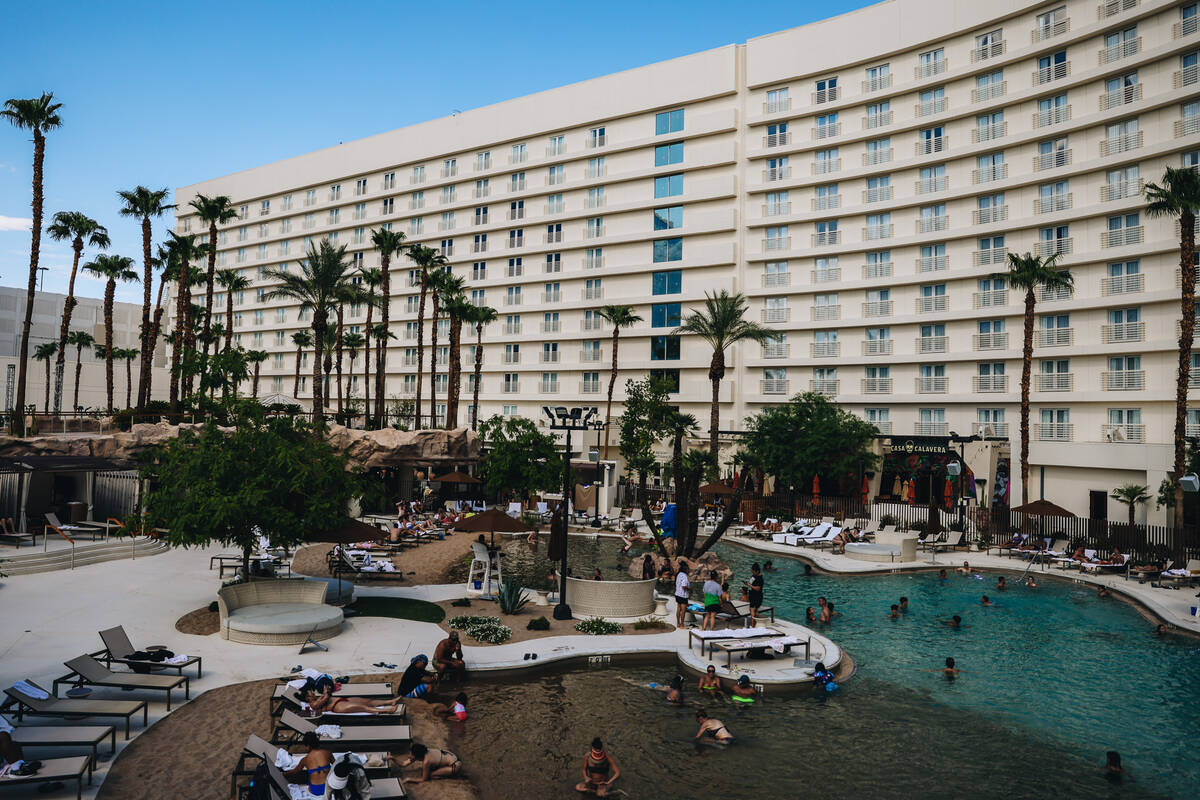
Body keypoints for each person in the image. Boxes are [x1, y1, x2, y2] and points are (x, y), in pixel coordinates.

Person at [284, 732, 333, 797]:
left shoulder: (305, 760)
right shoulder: (327, 753)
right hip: (328, 788)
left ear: (308, 746)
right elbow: (336, 765)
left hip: (315, 790)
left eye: (305, 746)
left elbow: (295, 771)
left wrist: (284, 774)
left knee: (308, 778)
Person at [304, 687, 402, 715]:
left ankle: (390, 701)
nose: (312, 693)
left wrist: (327, 691)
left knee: (367, 701)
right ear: (307, 699)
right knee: (364, 708)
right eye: (310, 693)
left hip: (341, 700)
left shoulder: (316, 698)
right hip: (338, 707)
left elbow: (327, 696)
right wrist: (326, 692)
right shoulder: (313, 704)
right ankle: (388, 710)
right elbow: (326, 698)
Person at [397, 742, 462, 783]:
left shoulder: (426, 761)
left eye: (411, 754)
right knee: (428, 772)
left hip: (455, 766)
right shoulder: (423, 751)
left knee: (431, 775)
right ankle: (442, 770)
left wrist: (409, 779)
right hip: (453, 757)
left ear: (416, 756)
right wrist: (392, 758)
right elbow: (403, 764)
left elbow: (424, 779)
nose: (409, 755)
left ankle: (448, 775)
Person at [743, 563, 765, 627]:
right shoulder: (753, 576)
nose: (752, 573)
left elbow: (758, 588)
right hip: (752, 594)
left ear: (757, 571)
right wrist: (747, 583)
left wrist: (749, 585)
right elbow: (750, 583)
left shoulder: (760, 579)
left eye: (753, 571)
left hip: (757, 595)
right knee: (754, 609)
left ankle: (753, 624)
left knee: (753, 609)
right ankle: (754, 623)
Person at [674, 563, 690, 628]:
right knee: (683, 610)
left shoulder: (679, 574)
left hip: (677, 594)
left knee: (678, 609)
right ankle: (682, 624)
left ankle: (678, 623)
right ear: (685, 569)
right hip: (683, 595)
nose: (689, 570)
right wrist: (690, 589)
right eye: (688, 569)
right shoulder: (685, 576)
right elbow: (684, 586)